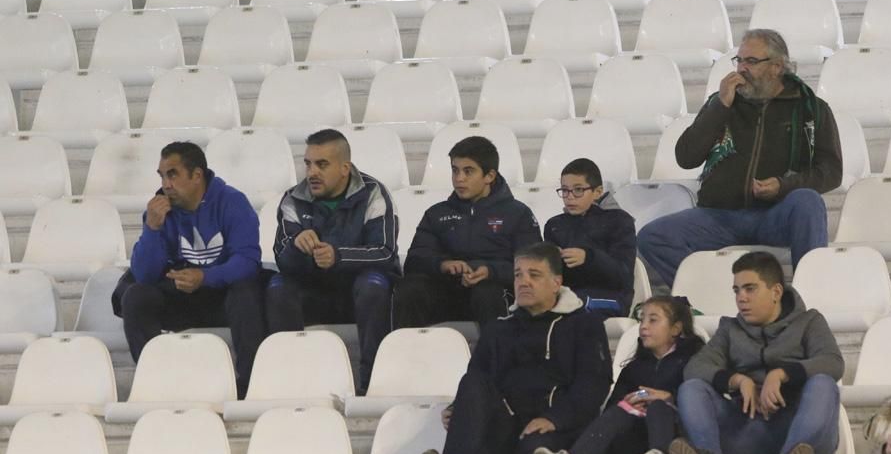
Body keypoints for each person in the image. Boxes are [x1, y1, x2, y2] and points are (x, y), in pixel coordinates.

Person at [637, 28, 842, 287]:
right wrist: (720, 105)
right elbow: (686, 157)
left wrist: (784, 185)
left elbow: (831, 171)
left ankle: (808, 293)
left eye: (751, 61)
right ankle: (710, 295)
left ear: (777, 67)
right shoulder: (722, 102)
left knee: (808, 202)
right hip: (719, 216)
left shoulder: (810, 108)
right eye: (739, 60)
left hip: (775, 215)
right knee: (652, 237)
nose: (741, 69)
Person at [420, 242, 612, 454]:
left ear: (556, 283)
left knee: (535, 453)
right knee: (473, 381)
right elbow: (479, 380)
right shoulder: (499, 329)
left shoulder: (584, 325)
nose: (523, 282)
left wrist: (555, 420)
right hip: (506, 433)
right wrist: (458, 409)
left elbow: (593, 386)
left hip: (558, 433)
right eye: (518, 275)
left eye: (534, 275)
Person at [670, 251, 843, 454]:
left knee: (823, 384)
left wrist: (781, 374)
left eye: (750, 289)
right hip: (748, 431)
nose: (741, 298)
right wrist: (738, 380)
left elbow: (833, 362)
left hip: (803, 436)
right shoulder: (729, 329)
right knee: (691, 388)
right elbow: (695, 367)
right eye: (736, 290)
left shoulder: (809, 321)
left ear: (776, 292)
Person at [115, 141, 265, 398]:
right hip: (180, 296)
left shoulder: (232, 202)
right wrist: (152, 229)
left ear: (197, 175)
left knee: (247, 293)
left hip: (221, 296)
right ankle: (155, 384)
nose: (166, 184)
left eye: (172, 174)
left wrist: (206, 277)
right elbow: (145, 275)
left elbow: (248, 260)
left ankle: (249, 386)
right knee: (136, 295)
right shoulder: (158, 209)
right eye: (162, 176)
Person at [265, 128, 398, 392]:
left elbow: (385, 251)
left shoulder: (373, 193)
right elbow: (282, 259)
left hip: (358, 292)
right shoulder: (293, 198)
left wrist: (338, 256)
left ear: (345, 167)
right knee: (278, 286)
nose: (312, 172)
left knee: (374, 283)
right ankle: (291, 381)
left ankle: (373, 382)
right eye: (308, 164)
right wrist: (296, 246)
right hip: (313, 292)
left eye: (322, 164)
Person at [533, 296, 704, 454]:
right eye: (641, 320)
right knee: (621, 409)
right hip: (636, 446)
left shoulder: (692, 361)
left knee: (658, 406)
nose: (643, 326)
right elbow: (612, 408)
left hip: (677, 442)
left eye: (653, 320)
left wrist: (669, 397)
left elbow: (701, 401)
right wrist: (632, 400)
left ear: (676, 328)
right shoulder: (634, 368)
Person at [393, 135, 541, 328]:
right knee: (410, 288)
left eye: (468, 171)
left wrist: (489, 271)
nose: (459, 178)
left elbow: (534, 265)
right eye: (455, 170)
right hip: (445, 291)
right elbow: (415, 260)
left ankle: (497, 356)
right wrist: (444, 265)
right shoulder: (437, 213)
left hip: (493, 291)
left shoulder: (518, 214)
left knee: (488, 292)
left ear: (489, 176)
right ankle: (407, 354)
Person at [542, 158, 637, 318]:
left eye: (578, 190)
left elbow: (624, 276)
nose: (570, 197)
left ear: (597, 192)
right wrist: (552, 259)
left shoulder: (619, 221)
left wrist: (589, 258)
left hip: (611, 297)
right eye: (564, 190)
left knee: (572, 306)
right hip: (568, 293)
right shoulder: (554, 225)